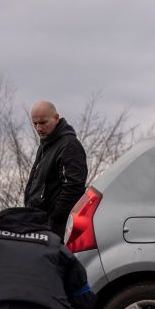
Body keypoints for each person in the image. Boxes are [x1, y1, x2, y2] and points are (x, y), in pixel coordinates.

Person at [23, 101, 88, 238]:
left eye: (43, 123)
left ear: (56, 118)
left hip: (55, 229)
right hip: (38, 225)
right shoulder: (45, 146)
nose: (39, 128)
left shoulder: (69, 146)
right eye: (35, 124)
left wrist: (53, 221)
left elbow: (74, 189)